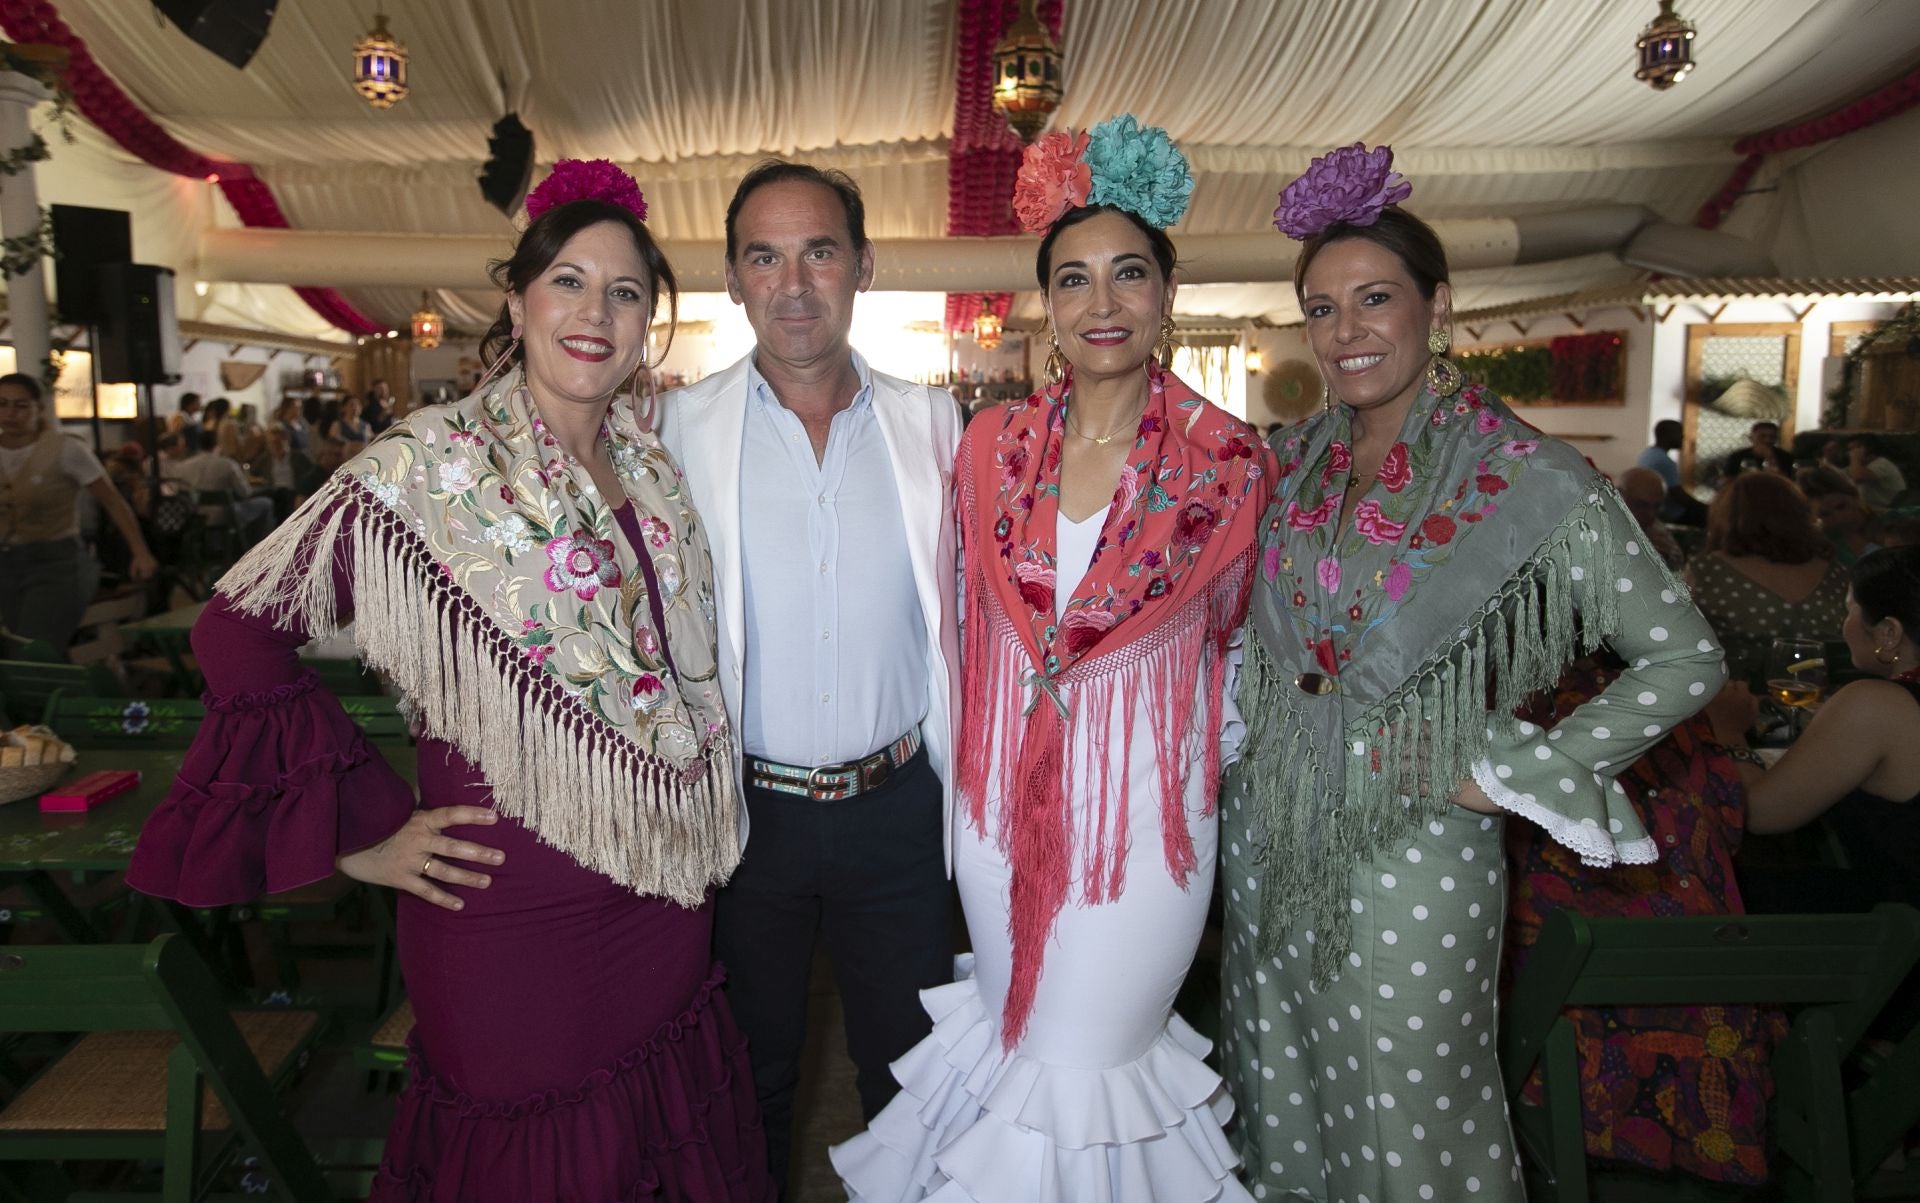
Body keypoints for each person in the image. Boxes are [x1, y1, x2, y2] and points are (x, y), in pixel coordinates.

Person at [127, 161, 774, 1203]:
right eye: (568, 281)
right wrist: (363, 828)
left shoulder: (647, 464)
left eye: (624, 293)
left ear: (649, 321)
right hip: (511, 914)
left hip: (660, 902)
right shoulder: (423, 465)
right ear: (515, 303)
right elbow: (236, 634)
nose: (594, 312)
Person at [1221, 143, 1724, 1203]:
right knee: (1285, 1097)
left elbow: (1684, 657)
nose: (1346, 330)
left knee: (1416, 1131)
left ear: (1437, 304)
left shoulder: (1525, 474)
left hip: (1412, 854)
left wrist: (1506, 770)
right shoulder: (1295, 455)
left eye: (1373, 299)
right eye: (1321, 308)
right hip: (1268, 840)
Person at [833, 117, 1271, 1203]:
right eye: (1073, 280)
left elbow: (1253, 645)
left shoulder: (1231, 462)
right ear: (1046, 306)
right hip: (996, 817)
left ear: (1168, 293)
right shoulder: (992, 450)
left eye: (1128, 275)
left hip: (1143, 818)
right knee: (1017, 1047)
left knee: (1089, 1066)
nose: (1102, 303)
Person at [656, 160, 961, 1198]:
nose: (794, 283)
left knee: (918, 1079)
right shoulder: (672, 433)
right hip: (744, 821)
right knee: (747, 1079)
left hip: (901, 814)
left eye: (819, 250)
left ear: (863, 266)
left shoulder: (940, 426)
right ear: (733, 279)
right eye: (765, 255)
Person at [1504, 657, 1784, 1187]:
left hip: (1559, 1041)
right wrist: (1726, 732)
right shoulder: (1675, 700)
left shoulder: (1512, 707)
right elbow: (1733, 820)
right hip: (1710, 1038)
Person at [1706, 546, 1920, 907]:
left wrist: (1727, 730)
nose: (1844, 624)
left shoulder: (1878, 704)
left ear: (1888, 632)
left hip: (1897, 937)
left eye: (1850, 608)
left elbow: (1760, 812)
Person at [0, 373, 156, 654]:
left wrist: (140, 552)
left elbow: (113, 501)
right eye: (2, 404)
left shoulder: (66, 449)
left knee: (34, 646)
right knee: (14, 647)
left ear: (39, 408)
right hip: (7, 563)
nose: (10, 413)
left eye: (20, 405)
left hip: (57, 562)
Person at [1686, 471, 1847, 687]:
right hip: (1823, 705)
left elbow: (1675, 643)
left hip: (1733, 702)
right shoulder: (1836, 573)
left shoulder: (1706, 570)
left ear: (1727, 515)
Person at [163, 427, 275, 546]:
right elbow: (245, 493)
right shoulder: (227, 465)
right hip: (224, 515)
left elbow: (176, 490)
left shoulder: (183, 467)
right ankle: (261, 549)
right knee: (266, 503)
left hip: (194, 516)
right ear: (218, 444)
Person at [1797, 465, 1880, 566]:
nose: (1839, 518)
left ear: (1855, 496)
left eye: (1842, 506)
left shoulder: (1892, 521)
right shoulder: (1823, 547)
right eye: (1825, 514)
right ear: (1815, 517)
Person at [1634, 417, 1705, 525]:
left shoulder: (1647, 454)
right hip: (1671, 514)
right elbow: (1679, 497)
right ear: (1667, 435)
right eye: (1679, 433)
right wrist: (1707, 509)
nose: (1683, 437)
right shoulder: (1663, 461)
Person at [1618, 466, 1686, 568]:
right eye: (1641, 505)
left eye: (1657, 506)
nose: (1651, 514)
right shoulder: (1597, 526)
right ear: (1619, 497)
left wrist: (1666, 558)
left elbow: (1678, 564)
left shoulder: (1656, 529)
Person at [1847, 434, 1909, 508]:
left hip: (1888, 511)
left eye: (1855, 449)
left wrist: (1855, 458)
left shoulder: (1882, 463)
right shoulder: (1861, 466)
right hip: (1870, 509)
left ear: (1869, 448)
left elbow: (1858, 477)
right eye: (1850, 450)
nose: (1851, 453)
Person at [1721, 419, 1794, 479]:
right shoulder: (1738, 456)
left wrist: (1770, 459)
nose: (1767, 440)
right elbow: (1727, 480)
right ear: (1752, 438)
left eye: (1772, 437)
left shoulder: (1785, 456)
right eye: (1762, 436)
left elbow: (1789, 481)